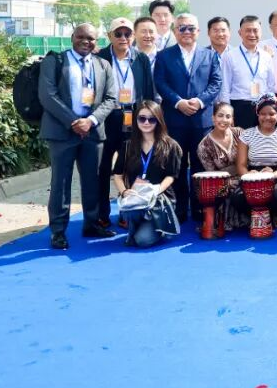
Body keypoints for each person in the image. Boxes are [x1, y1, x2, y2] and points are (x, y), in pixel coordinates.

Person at [38, 23, 119, 249]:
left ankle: (91, 223)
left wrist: (90, 121)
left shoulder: (103, 65)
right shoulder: (55, 61)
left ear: (97, 41)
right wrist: (73, 122)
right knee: (61, 182)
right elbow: (47, 95)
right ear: (72, 37)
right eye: (81, 37)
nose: (86, 41)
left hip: (92, 132)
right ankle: (58, 231)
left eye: (91, 38)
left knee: (93, 181)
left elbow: (111, 98)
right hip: (62, 132)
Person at [154, 13, 223, 222]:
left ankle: (201, 207)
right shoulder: (164, 56)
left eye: (191, 28)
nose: (186, 32)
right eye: (182, 28)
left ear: (198, 31)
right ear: (175, 31)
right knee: (177, 164)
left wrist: (199, 101)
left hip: (202, 120)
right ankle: (180, 208)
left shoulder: (210, 55)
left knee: (201, 165)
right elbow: (160, 82)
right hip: (175, 119)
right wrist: (178, 102)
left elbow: (216, 83)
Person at [96, 17, 155, 227]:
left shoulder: (141, 58)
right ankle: (101, 214)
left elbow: (148, 91)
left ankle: (128, 211)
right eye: (118, 34)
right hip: (107, 116)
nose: (123, 38)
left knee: (132, 166)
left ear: (133, 36)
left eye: (127, 34)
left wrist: (149, 118)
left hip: (134, 116)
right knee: (103, 167)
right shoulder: (100, 57)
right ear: (109, 36)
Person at [112, 101, 182, 247]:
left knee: (142, 241)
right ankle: (138, 225)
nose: (146, 123)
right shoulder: (128, 145)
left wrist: (157, 190)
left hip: (158, 200)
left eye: (152, 119)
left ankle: (156, 227)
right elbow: (117, 175)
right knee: (131, 213)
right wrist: (124, 192)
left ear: (159, 120)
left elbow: (171, 176)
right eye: (142, 118)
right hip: (136, 200)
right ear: (136, 119)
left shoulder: (171, 146)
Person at [232, 94, 277, 226]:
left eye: (271, 114)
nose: (267, 117)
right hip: (252, 175)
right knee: (237, 198)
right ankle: (257, 216)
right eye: (263, 114)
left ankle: (272, 215)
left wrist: (272, 175)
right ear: (257, 114)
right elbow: (241, 165)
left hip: (276, 175)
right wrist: (249, 176)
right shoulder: (247, 134)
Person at [196, 102, 250, 233]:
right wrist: (234, 176)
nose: (224, 120)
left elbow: (252, 156)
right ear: (213, 118)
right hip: (223, 184)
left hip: (246, 175)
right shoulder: (204, 146)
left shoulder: (240, 133)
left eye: (228, 116)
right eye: (220, 115)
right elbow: (213, 175)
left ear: (232, 119)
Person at [224, 15, 277, 129]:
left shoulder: (266, 57)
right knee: (240, 140)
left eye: (255, 30)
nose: (252, 34)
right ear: (240, 33)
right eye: (248, 30)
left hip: (262, 108)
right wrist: (227, 113)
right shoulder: (230, 56)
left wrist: (270, 108)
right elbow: (225, 87)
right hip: (239, 107)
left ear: (261, 33)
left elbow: (271, 86)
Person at [206, 16, 234, 104]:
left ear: (229, 32)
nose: (220, 34)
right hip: (208, 104)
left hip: (233, 105)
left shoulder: (237, 55)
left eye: (223, 30)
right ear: (208, 33)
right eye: (215, 30)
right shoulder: (202, 56)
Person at [133, 16, 160, 93]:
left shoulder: (165, 57)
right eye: (143, 32)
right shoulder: (127, 56)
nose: (148, 35)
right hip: (133, 99)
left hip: (160, 100)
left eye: (151, 32)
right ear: (134, 34)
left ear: (157, 34)